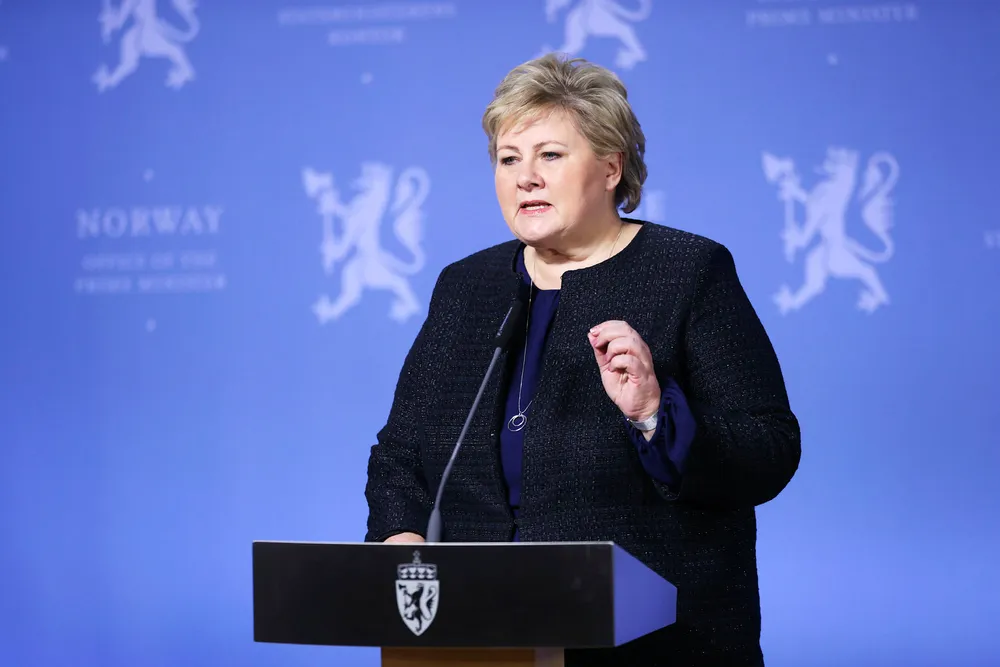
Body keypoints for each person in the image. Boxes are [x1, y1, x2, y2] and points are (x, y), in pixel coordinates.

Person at [365, 53, 801, 666]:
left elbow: (769, 450)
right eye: (508, 159)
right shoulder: (466, 287)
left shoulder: (687, 272)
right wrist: (404, 545)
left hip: (654, 645)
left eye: (550, 155)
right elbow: (400, 454)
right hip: (477, 635)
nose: (525, 178)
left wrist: (655, 414)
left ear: (610, 167)